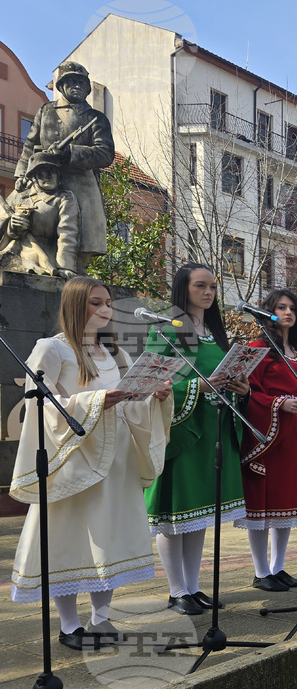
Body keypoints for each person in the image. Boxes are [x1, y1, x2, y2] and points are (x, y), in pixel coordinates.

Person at [9, 277, 171, 649]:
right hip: (72, 460)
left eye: (108, 303)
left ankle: (101, 619)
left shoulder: (116, 353)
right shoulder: (51, 348)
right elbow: (39, 403)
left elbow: (130, 404)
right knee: (65, 539)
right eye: (95, 302)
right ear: (74, 304)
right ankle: (70, 625)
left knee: (107, 538)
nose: (105, 310)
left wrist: (153, 397)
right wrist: (96, 401)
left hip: (117, 459)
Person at [144, 264, 251, 615]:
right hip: (181, 432)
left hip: (213, 430)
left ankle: (192, 587)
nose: (208, 293)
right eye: (200, 286)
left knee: (199, 515)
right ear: (183, 288)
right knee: (175, 512)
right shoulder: (166, 330)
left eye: (212, 287)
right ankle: (176, 591)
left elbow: (223, 376)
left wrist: (241, 388)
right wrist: (197, 386)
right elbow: (152, 382)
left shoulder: (216, 334)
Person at [237, 289, 297, 592]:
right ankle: (261, 571)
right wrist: (279, 404)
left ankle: (278, 566)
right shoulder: (257, 348)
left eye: (292, 308)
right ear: (268, 312)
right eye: (281, 307)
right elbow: (248, 392)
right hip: (269, 436)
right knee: (264, 505)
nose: (288, 313)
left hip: (296, 433)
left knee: (288, 504)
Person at [16, 62, 115, 274]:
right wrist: (22, 174)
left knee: (82, 239)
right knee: (26, 224)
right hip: (44, 178)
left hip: (81, 184)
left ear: (87, 89)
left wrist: (71, 152)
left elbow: (105, 154)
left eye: (81, 83)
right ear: (61, 86)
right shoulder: (46, 111)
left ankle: (76, 273)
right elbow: (30, 144)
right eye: (71, 81)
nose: (77, 86)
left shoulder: (96, 118)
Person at [0, 150, 80, 277]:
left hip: (46, 256)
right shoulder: (19, 196)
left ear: (59, 176)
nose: (49, 175)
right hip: (16, 251)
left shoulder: (64, 198)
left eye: (53, 171)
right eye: (43, 171)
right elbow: (2, 223)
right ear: (33, 176)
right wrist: (11, 226)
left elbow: (68, 234)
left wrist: (65, 267)